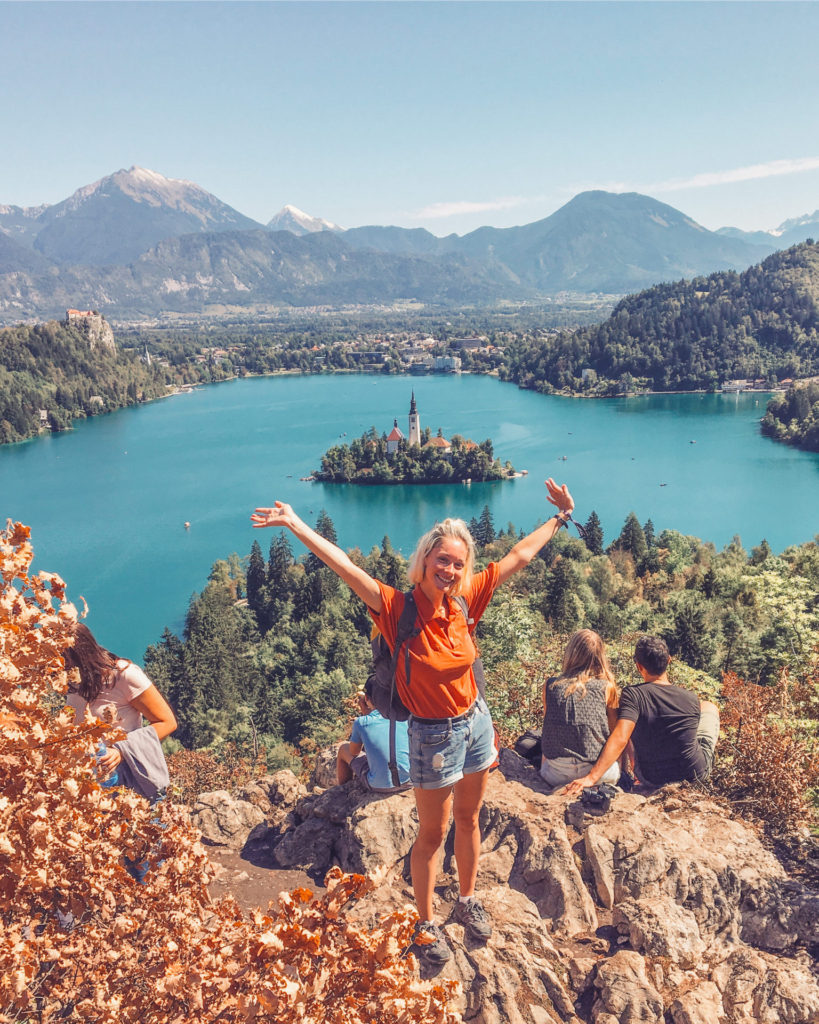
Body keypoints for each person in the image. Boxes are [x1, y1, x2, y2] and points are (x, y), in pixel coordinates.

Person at [251, 478, 575, 966]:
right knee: (431, 835)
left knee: (469, 821)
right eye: (442, 559)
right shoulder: (397, 609)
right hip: (431, 734)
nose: (450, 569)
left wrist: (561, 517)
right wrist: (296, 523)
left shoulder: (467, 601)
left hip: (476, 724)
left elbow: (519, 556)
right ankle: (424, 924)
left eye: (458, 563)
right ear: (425, 559)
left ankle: (466, 901)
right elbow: (346, 568)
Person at [563, 634, 720, 798]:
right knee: (709, 707)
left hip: (651, 777)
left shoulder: (633, 695)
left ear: (639, 666)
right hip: (694, 774)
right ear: (668, 661)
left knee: (628, 721)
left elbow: (621, 736)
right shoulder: (691, 698)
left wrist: (592, 777)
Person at [64, 622, 177, 792]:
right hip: (92, 786)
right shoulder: (75, 683)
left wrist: (121, 752)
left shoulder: (124, 675)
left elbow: (168, 722)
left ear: (79, 655)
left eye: (61, 657)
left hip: (130, 782)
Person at [540, 629, 620, 789]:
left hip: (556, 774)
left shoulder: (551, 685)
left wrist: (544, 767)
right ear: (599, 656)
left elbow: (549, 729)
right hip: (598, 775)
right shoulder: (607, 687)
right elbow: (615, 732)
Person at [336, 680, 411, 792]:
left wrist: (364, 712)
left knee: (343, 749)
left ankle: (343, 791)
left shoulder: (362, 722)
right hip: (409, 781)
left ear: (366, 698)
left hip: (378, 785)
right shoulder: (404, 715)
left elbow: (354, 752)